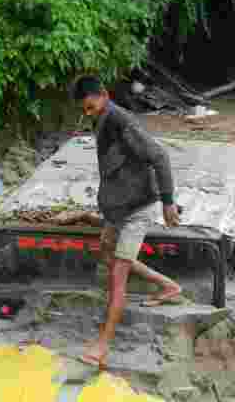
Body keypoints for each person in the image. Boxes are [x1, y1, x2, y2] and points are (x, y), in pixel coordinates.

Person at [71, 75, 183, 368]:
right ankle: (169, 286)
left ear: (104, 95)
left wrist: (168, 202)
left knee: (117, 278)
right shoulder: (101, 119)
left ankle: (102, 347)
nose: (89, 113)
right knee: (107, 252)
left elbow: (160, 156)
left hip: (138, 207)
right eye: (85, 110)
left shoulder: (123, 123)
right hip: (117, 208)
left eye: (92, 107)